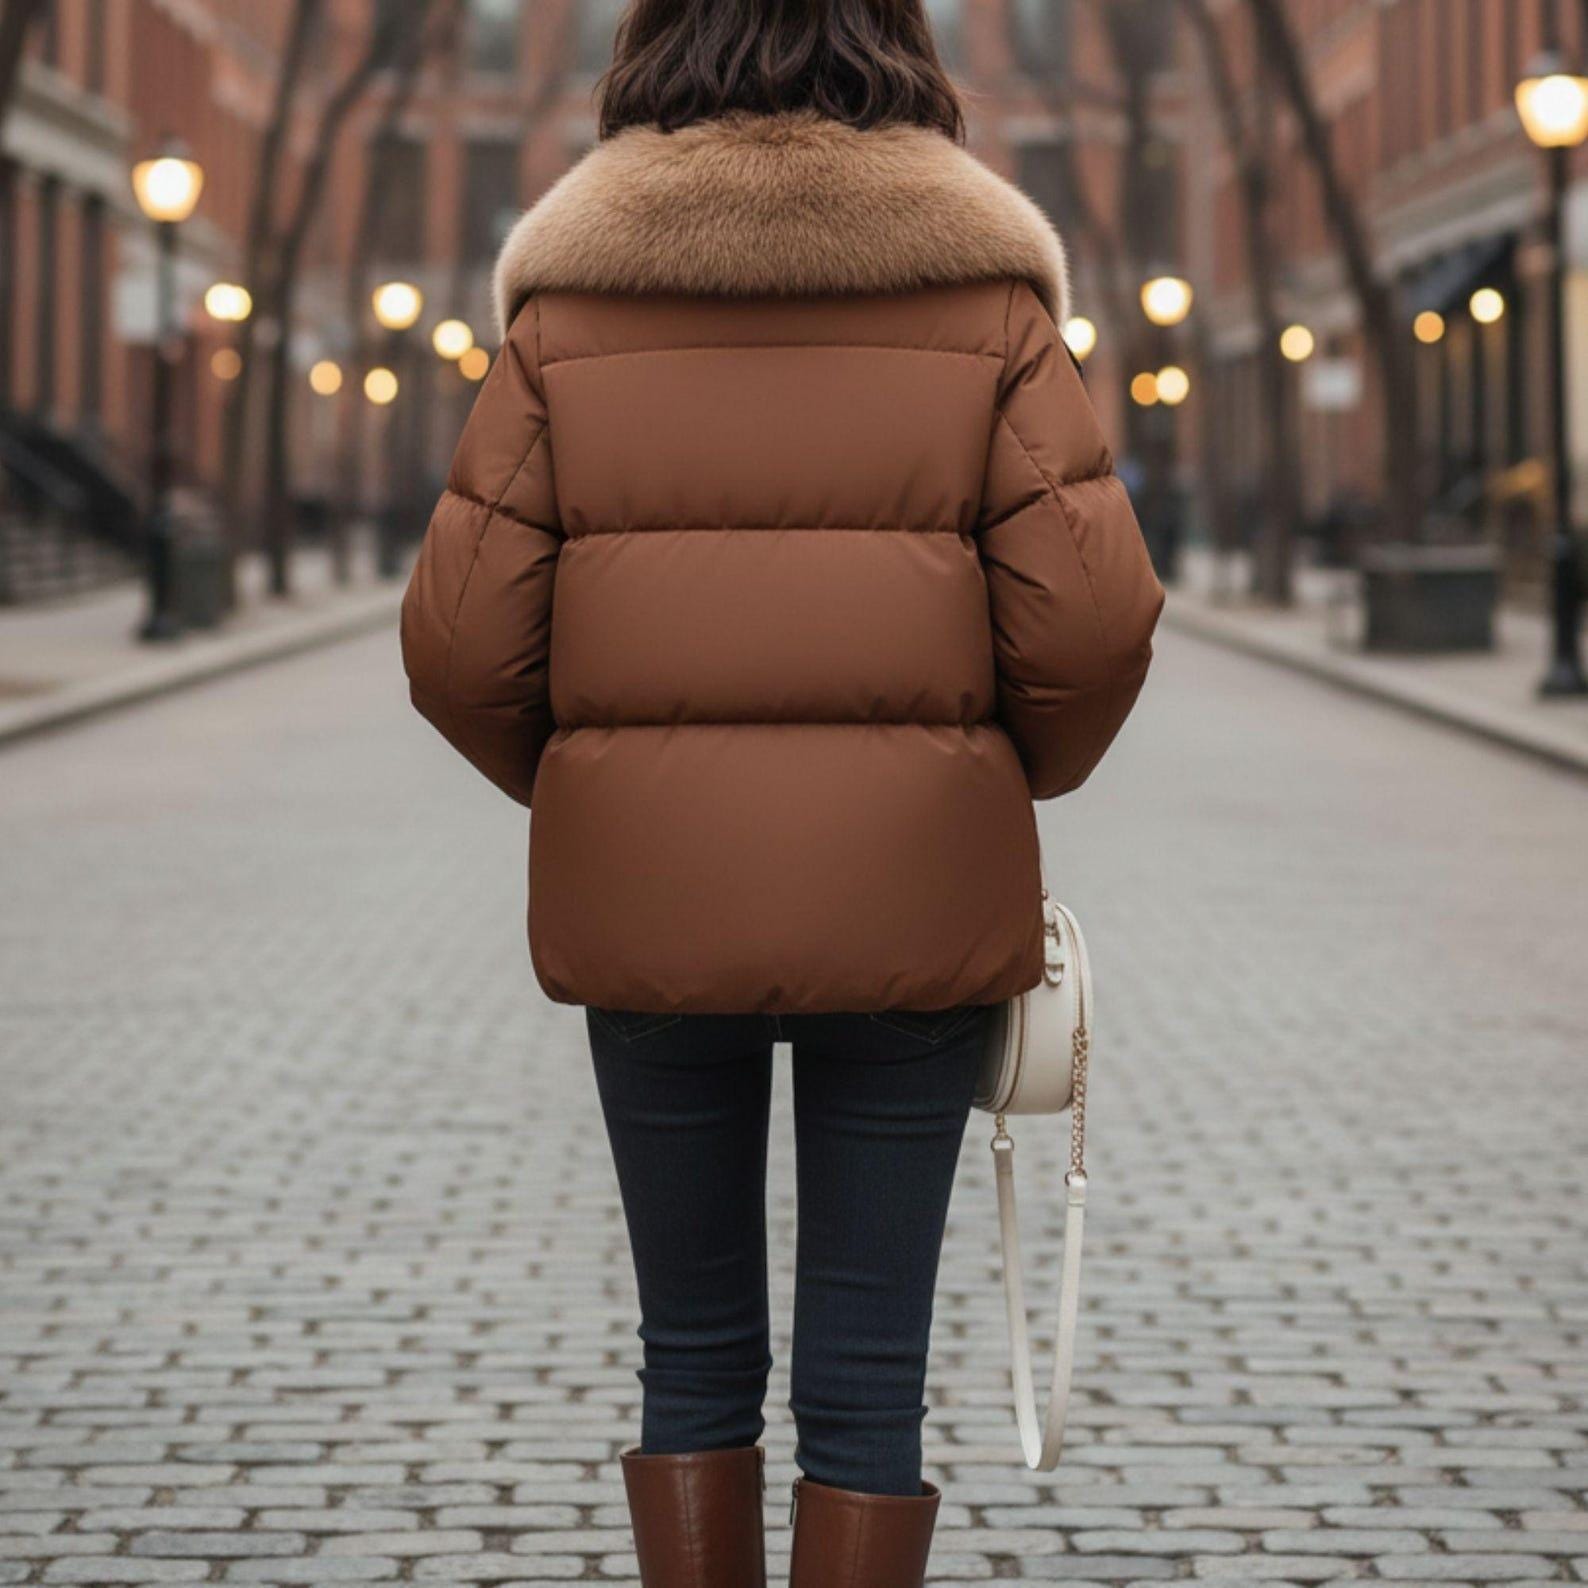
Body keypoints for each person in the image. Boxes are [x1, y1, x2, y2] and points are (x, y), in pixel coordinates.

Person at [401, 1, 1163, 1581]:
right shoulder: (991, 303)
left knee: (687, 1354)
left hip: (656, 912)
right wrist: (997, 783)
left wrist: (607, 793)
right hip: (912, 902)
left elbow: (460, 647)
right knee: (872, 1383)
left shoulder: (567, 311)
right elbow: (1091, 623)